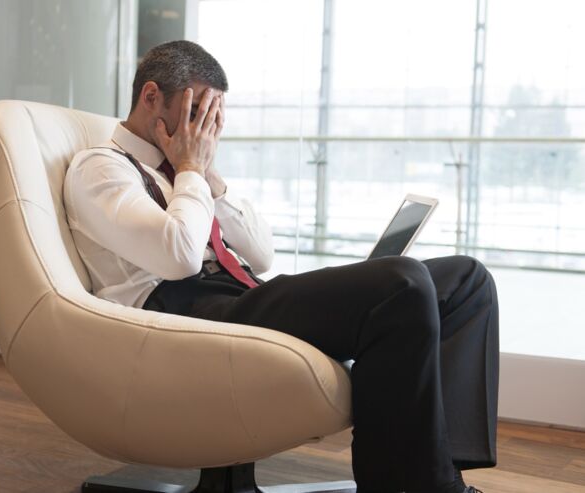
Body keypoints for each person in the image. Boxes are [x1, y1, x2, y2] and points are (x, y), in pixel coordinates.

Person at [63, 40, 499, 493]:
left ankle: (444, 472)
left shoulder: (187, 173)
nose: (205, 133)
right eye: (197, 115)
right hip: (180, 315)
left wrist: (210, 181)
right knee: (401, 283)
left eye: (214, 120)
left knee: (467, 279)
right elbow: (179, 256)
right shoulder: (101, 167)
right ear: (151, 97)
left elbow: (261, 252)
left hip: (241, 295)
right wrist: (190, 169)